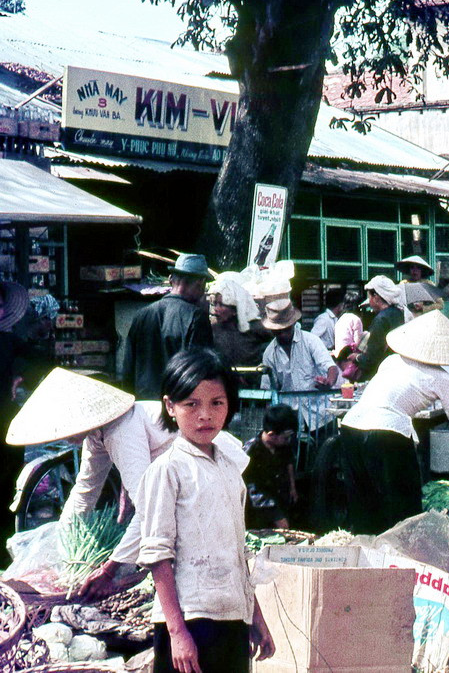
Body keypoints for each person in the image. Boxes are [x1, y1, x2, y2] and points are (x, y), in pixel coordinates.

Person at [5, 367, 248, 600]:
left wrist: (110, 569)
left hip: (211, 468)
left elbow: (148, 509)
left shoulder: (121, 430)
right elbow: (85, 492)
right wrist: (64, 548)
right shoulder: (97, 436)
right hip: (184, 477)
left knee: (204, 561)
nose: (65, 437)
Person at [136, 348, 274, 672]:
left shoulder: (229, 468)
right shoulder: (167, 470)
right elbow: (157, 555)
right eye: (191, 404)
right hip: (190, 620)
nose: (205, 415)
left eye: (217, 403)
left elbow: (237, 553)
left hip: (231, 617)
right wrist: (178, 632)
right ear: (170, 406)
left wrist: (255, 615)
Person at [337, 311, 449, 533]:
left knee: (365, 507)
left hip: (351, 427)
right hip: (387, 433)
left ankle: (370, 559)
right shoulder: (442, 379)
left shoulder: (392, 361)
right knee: (403, 509)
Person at [122, 253, 214, 399]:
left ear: (171, 280)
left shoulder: (141, 315)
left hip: (143, 408)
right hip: (176, 408)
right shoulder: (196, 317)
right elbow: (200, 371)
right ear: (200, 282)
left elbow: (127, 370)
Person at [260, 298, 339, 432]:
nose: (283, 334)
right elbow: (268, 389)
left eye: (286, 329)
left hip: (320, 414)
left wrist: (329, 382)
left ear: (293, 324)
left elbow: (331, 367)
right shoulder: (269, 353)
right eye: (278, 331)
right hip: (291, 421)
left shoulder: (311, 340)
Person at [0, 281, 31, 539]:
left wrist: (18, 376)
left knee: (7, 486)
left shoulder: (9, 342)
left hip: (5, 424)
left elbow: (37, 361)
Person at [244, 404, 299, 530]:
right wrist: (276, 516)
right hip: (258, 510)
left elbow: (289, 463)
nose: (289, 440)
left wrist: (292, 487)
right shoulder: (251, 451)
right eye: (286, 437)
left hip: (280, 500)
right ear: (271, 434)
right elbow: (252, 490)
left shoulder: (283, 446)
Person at [208, 275, 271, 380]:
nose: (216, 310)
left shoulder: (255, 328)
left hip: (253, 386)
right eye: (215, 304)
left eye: (221, 305)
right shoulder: (214, 331)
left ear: (234, 310)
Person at [350, 275, 410, 380]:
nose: (369, 301)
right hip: (400, 370)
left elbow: (373, 357)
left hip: (383, 374)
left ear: (376, 297)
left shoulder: (381, 319)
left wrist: (357, 357)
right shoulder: (399, 313)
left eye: (369, 297)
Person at [332, 286, 364, 359]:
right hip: (349, 357)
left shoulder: (340, 319)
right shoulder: (356, 320)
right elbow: (358, 344)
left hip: (338, 356)